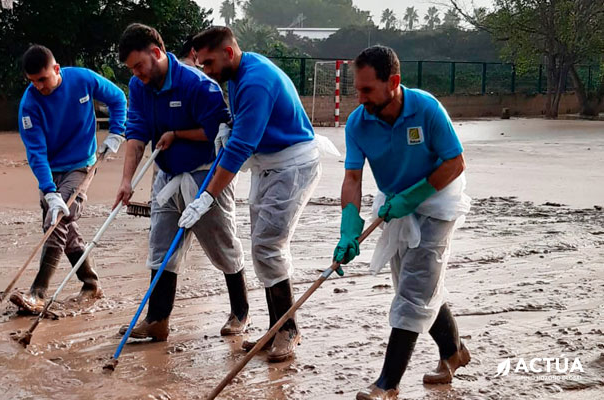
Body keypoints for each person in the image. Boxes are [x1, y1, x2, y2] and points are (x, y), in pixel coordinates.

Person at [333, 45, 471, 400]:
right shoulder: (358, 122)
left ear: (393, 81)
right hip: (393, 200)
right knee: (416, 286)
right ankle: (454, 352)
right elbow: (352, 178)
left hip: (438, 199)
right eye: (356, 89)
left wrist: (415, 196)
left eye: (367, 89)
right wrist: (349, 226)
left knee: (413, 292)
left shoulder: (426, 108)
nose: (359, 97)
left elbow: (455, 162)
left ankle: (387, 384)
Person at [187, 26, 326, 362]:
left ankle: (288, 330)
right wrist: (229, 125)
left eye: (208, 63)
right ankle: (276, 326)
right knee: (262, 245)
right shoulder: (236, 75)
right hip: (268, 165)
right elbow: (241, 129)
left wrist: (206, 196)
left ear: (228, 53)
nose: (206, 71)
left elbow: (239, 149)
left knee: (268, 244)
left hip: (293, 165)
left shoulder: (255, 80)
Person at [113, 23, 248, 341]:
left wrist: (177, 134)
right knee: (160, 247)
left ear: (156, 53)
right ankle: (157, 320)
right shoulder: (138, 86)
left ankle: (240, 311)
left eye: (139, 65)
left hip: (206, 174)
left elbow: (218, 132)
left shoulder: (199, 85)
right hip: (167, 174)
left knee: (222, 243)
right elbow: (136, 132)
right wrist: (126, 180)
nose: (137, 74)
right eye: (132, 69)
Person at [10, 45, 127, 314]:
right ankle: (91, 283)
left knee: (59, 220)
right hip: (50, 170)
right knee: (64, 226)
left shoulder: (83, 79)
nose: (39, 87)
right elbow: (36, 152)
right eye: (32, 82)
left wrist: (116, 132)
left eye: (43, 79)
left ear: (56, 69)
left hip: (81, 165)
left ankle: (38, 294)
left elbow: (118, 98)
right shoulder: (29, 105)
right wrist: (49, 191)